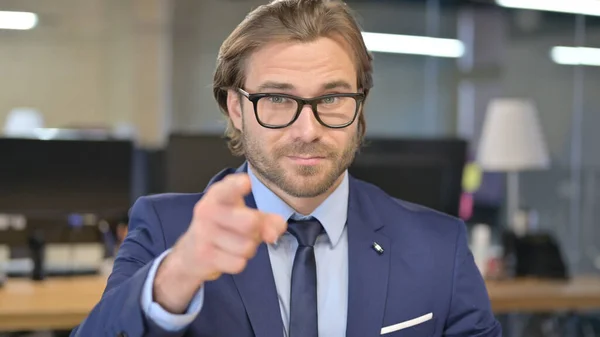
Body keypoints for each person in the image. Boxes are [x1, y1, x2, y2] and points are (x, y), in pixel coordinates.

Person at [71, 0, 502, 336]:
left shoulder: (438, 246)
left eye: (331, 98)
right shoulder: (167, 230)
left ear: (360, 106)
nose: (307, 129)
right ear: (237, 108)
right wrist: (178, 273)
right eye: (277, 99)